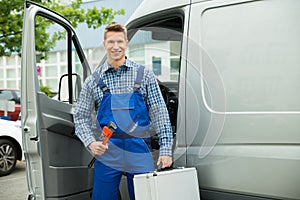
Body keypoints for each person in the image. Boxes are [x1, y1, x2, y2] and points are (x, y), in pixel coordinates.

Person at [74, 22, 173, 200]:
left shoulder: (144, 75)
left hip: (139, 148)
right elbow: (80, 117)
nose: (116, 46)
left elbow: (160, 113)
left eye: (120, 41)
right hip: (108, 149)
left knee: (145, 196)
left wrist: (165, 150)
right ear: (104, 44)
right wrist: (90, 143)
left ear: (126, 43)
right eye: (111, 42)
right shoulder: (93, 81)